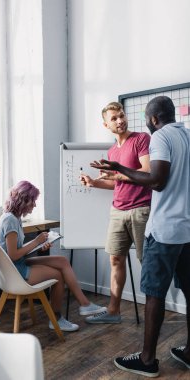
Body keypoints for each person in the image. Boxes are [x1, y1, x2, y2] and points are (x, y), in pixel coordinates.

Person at [95, 96, 190, 377]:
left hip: (164, 230)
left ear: (152, 119)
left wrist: (119, 169)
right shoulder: (186, 135)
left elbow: (157, 180)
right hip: (186, 229)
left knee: (153, 293)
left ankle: (147, 360)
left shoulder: (158, 137)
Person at [0, 180, 106, 332]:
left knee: (62, 260)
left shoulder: (14, 217)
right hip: (13, 272)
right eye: (33, 201)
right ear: (23, 200)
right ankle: (56, 319)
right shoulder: (10, 220)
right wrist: (36, 242)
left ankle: (85, 305)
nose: (35, 205)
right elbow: (13, 255)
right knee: (58, 276)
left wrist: (38, 244)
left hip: (16, 264)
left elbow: (16, 251)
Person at [80, 101, 151, 324]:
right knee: (115, 260)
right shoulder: (111, 152)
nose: (120, 120)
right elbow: (115, 184)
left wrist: (116, 175)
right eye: (114, 118)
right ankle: (113, 311)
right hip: (117, 211)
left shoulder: (141, 139)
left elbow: (147, 171)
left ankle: (152, 312)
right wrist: (94, 183)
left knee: (146, 262)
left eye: (121, 115)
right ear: (106, 124)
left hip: (141, 209)